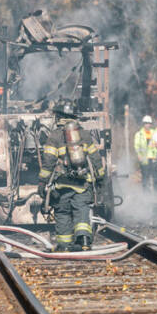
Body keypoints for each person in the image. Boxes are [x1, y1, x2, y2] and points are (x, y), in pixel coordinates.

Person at [39, 99, 105, 251]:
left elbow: (48, 163)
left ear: (59, 116)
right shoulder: (85, 134)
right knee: (82, 210)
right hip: (82, 183)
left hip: (62, 184)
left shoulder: (54, 136)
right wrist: (100, 178)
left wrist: (42, 182)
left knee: (63, 212)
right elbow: (95, 159)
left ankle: (64, 245)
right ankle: (84, 241)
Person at [133, 115, 157, 191]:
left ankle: (156, 191)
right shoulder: (139, 134)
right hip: (144, 158)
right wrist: (139, 155)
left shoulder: (154, 132)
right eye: (146, 123)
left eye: (149, 123)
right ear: (143, 124)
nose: (147, 125)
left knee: (155, 175)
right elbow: (136, 146)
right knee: (145, 176)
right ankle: (146, 192)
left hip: (153, 158)